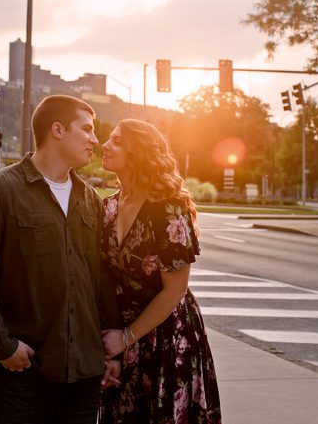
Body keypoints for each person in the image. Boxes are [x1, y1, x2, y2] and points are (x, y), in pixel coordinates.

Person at [0, 95, 121, 424]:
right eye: (86, 129)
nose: (94, 140)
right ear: (57, 130)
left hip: (85, 375)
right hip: (24, 372)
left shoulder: (90, 200)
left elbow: (101, 278)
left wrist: (113, 345)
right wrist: (2, 346)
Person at [99, 119, 222, 424]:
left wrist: (126, 338)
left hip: (165, 334)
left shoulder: (167, 206)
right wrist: (114, 347)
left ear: (139, 152)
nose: (105, 145)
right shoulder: (108, 207)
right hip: (120, 333)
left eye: (117, 141)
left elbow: (175, 290)